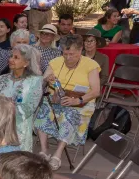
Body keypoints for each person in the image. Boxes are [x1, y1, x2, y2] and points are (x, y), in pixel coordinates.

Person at [35, 34, 101, 171]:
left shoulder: (91, 65)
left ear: (80, 50)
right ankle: (44, 149)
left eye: (72, 54)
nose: (68, 58)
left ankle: (58, 154)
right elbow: (44, 78)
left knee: (70, 114)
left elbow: (95, 91)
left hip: (82, 101)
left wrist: (77, 100)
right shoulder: (56, 61)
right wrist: (48, 79)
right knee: (43, 110)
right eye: (65, 54)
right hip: (58, 97)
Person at [0, 43, 44, 151]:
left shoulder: (35, 81)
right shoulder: (2, 79)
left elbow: (28, 108)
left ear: (26, 63)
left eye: (16, 57)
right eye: (11, 56)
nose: (11, 59)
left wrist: (5, 110)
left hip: (19, 129)